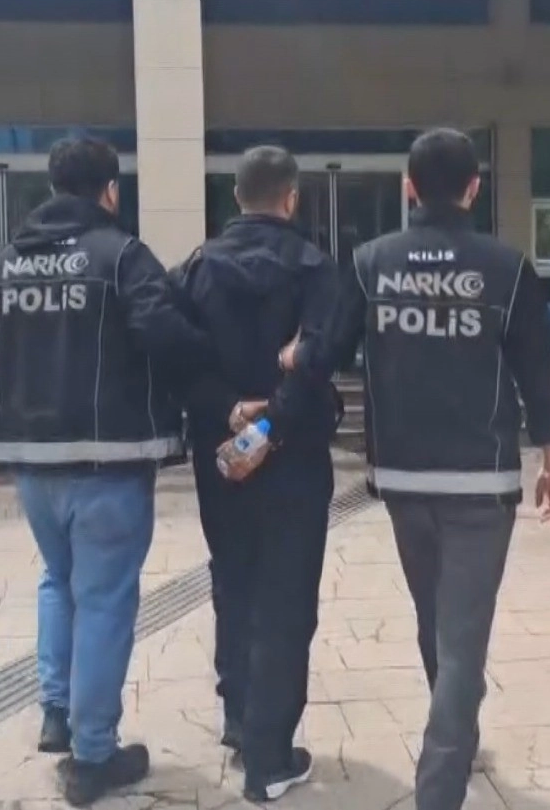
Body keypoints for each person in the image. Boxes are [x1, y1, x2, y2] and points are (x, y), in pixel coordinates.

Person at [280, 128, 550, 810]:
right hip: (482, 480)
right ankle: (440, 784)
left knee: (438, 618)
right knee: (460, 634)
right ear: (474, 188)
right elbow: (536, 372)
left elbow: (328, 348)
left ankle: (453, 740)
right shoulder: (507, 267)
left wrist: (295, 357)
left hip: (404, 477)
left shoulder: (371, 261)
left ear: (409, 187)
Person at [0, 136, 213, 808]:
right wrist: (215, 377)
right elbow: (163, 331)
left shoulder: (5, 263)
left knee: (58, 578)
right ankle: (93, 755)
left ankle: (58, 710)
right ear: (111, 191)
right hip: (109, 460)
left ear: (51, 187)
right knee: (103, 598)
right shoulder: (120, 255)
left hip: (34, 463)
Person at [171, 145, 339, 803]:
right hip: (294, 457)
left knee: (233, 581)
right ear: (291, 198)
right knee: (287, 598)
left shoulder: (196, 269)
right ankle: (269, 758)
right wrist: (270, 430)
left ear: (237, 198)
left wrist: (230, 416)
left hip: (221, 457)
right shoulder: (316, 267)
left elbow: (179, 360)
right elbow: (318, 361)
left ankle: (241, 718)